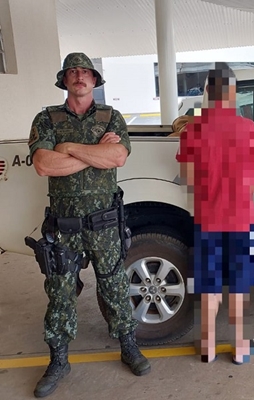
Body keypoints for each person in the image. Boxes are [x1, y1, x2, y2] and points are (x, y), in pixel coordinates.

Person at [28, 52, 150, 398]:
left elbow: (118, 157)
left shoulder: (111, 117)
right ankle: (59, 359)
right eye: (72, 72)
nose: (79, 76)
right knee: (61, 294)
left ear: (95, 80)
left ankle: (128, 346)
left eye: (85, 72)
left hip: (104, 222)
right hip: (63, 225)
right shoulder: (46, 118)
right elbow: (43, 164)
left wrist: (68, 150)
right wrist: (92, 152)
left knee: (114, 287)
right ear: (64, 80)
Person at [176, 62, 254, 365]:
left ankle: (207, 347)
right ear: (233, 92)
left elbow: (187, 177)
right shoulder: (248, 128)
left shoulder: (193, 130)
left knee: (209, 285)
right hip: (242, 220)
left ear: (207, 91)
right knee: (239, 286)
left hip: (207, 220)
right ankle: (241, 347)